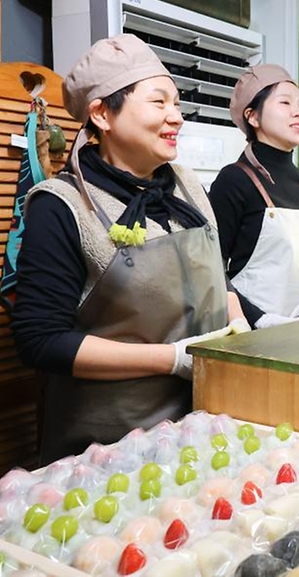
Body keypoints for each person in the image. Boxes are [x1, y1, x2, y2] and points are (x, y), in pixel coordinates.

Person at [10, 34, 248, 463]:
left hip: (204, 427)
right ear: (102, 114)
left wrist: (239, 325)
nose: (176, 117)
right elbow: (41, 341)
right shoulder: (63, 205)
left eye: (177, 104)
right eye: (159, 103)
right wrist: (172, 359)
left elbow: (217, 277)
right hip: (108, 451)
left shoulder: (188, 185)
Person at [208, 64, 299, 330]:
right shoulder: (234, 180)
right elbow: (211, 269)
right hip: (248, 333)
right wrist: (259, 319)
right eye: (285, 102)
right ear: (253, 117)